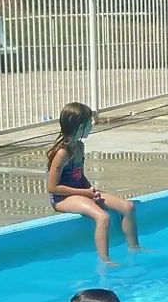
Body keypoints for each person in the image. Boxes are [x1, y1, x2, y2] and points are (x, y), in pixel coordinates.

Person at [47, 102, 141, 263]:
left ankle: (134, 248)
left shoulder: (79, 146)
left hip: (81, 191)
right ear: (80, 127)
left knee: (128, 207)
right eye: (89, 123)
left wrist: (90, 189)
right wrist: (85, 193)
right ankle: (105, 260)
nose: (92, 126)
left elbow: (79, 175)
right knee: (103, 217)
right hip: (61, 198)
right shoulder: (62, 153)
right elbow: (52, 188)